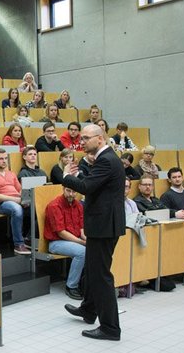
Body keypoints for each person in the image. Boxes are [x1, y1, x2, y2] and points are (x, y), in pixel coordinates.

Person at [61, 124, 125, 341]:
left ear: (99, 139)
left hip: (103, 226)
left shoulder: (106, 159)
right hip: (104, 224)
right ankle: (89, 310)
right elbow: (95, 184)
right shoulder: (106, 158)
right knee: (92, 269)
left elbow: (87, 187)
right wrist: (79, 174)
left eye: (86, 138)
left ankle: (110, 328)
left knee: (101, 276)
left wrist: (66, 176)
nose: (82, 141)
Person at [0, 149, 30, 255]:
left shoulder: (11, 173)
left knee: (38, 207)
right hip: (2, 203)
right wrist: (16, 200)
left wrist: (25, 198)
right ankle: (19, 244)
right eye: (1, 158)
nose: (4, 161)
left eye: (5, 158)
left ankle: (29, 238)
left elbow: (19, 189)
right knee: (17, 209)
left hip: (17, 199)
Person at [45, 186, 86, 300]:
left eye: (74, 191)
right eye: (68, 191)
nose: (71, 194)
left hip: (74, 240)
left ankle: (86, 285)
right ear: (63, 189)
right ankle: (71, 286)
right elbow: (61, 233)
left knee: (94, 247)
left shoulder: (78, 205)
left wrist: (86, 239)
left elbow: (81, 228)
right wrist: (82, 242)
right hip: (56, 242)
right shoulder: (54, 206)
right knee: (82, 252)